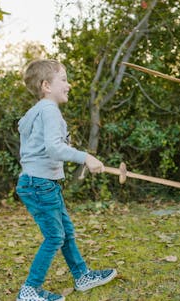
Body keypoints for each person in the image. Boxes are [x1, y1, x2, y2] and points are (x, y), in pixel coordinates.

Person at [15, 59, 117, 301]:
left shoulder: (36, 112)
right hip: (39, 183)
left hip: (40, 182)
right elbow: (53, 148)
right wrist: (85, 157)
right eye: (64, 79)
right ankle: (30, 290)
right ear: (46, 86)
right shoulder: (49, 110)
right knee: (55, 236)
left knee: (65, 232)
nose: (69, 85)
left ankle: (82, 275)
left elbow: (41, 148)